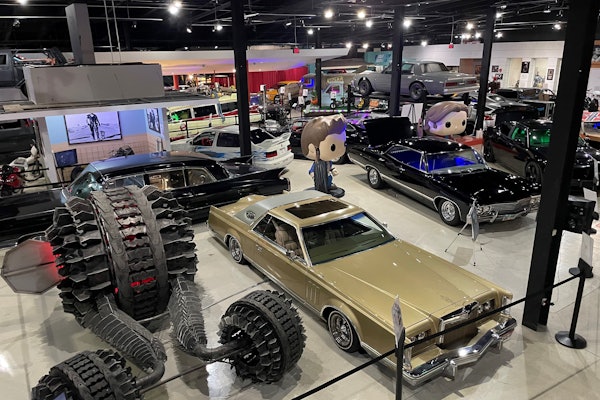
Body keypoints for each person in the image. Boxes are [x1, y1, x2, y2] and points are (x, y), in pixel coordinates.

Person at [300, 114, 347, 197]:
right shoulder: (317, 163)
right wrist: (313, 175)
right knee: (323, 183)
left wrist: (333, 170)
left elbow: (330, 167)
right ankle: (322, 188)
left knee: (329, 180)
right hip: (320, 179)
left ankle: (329, 186)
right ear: (312, 149)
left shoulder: (329, 161)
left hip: (328, 176)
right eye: (333, 147)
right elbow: (311, 171)